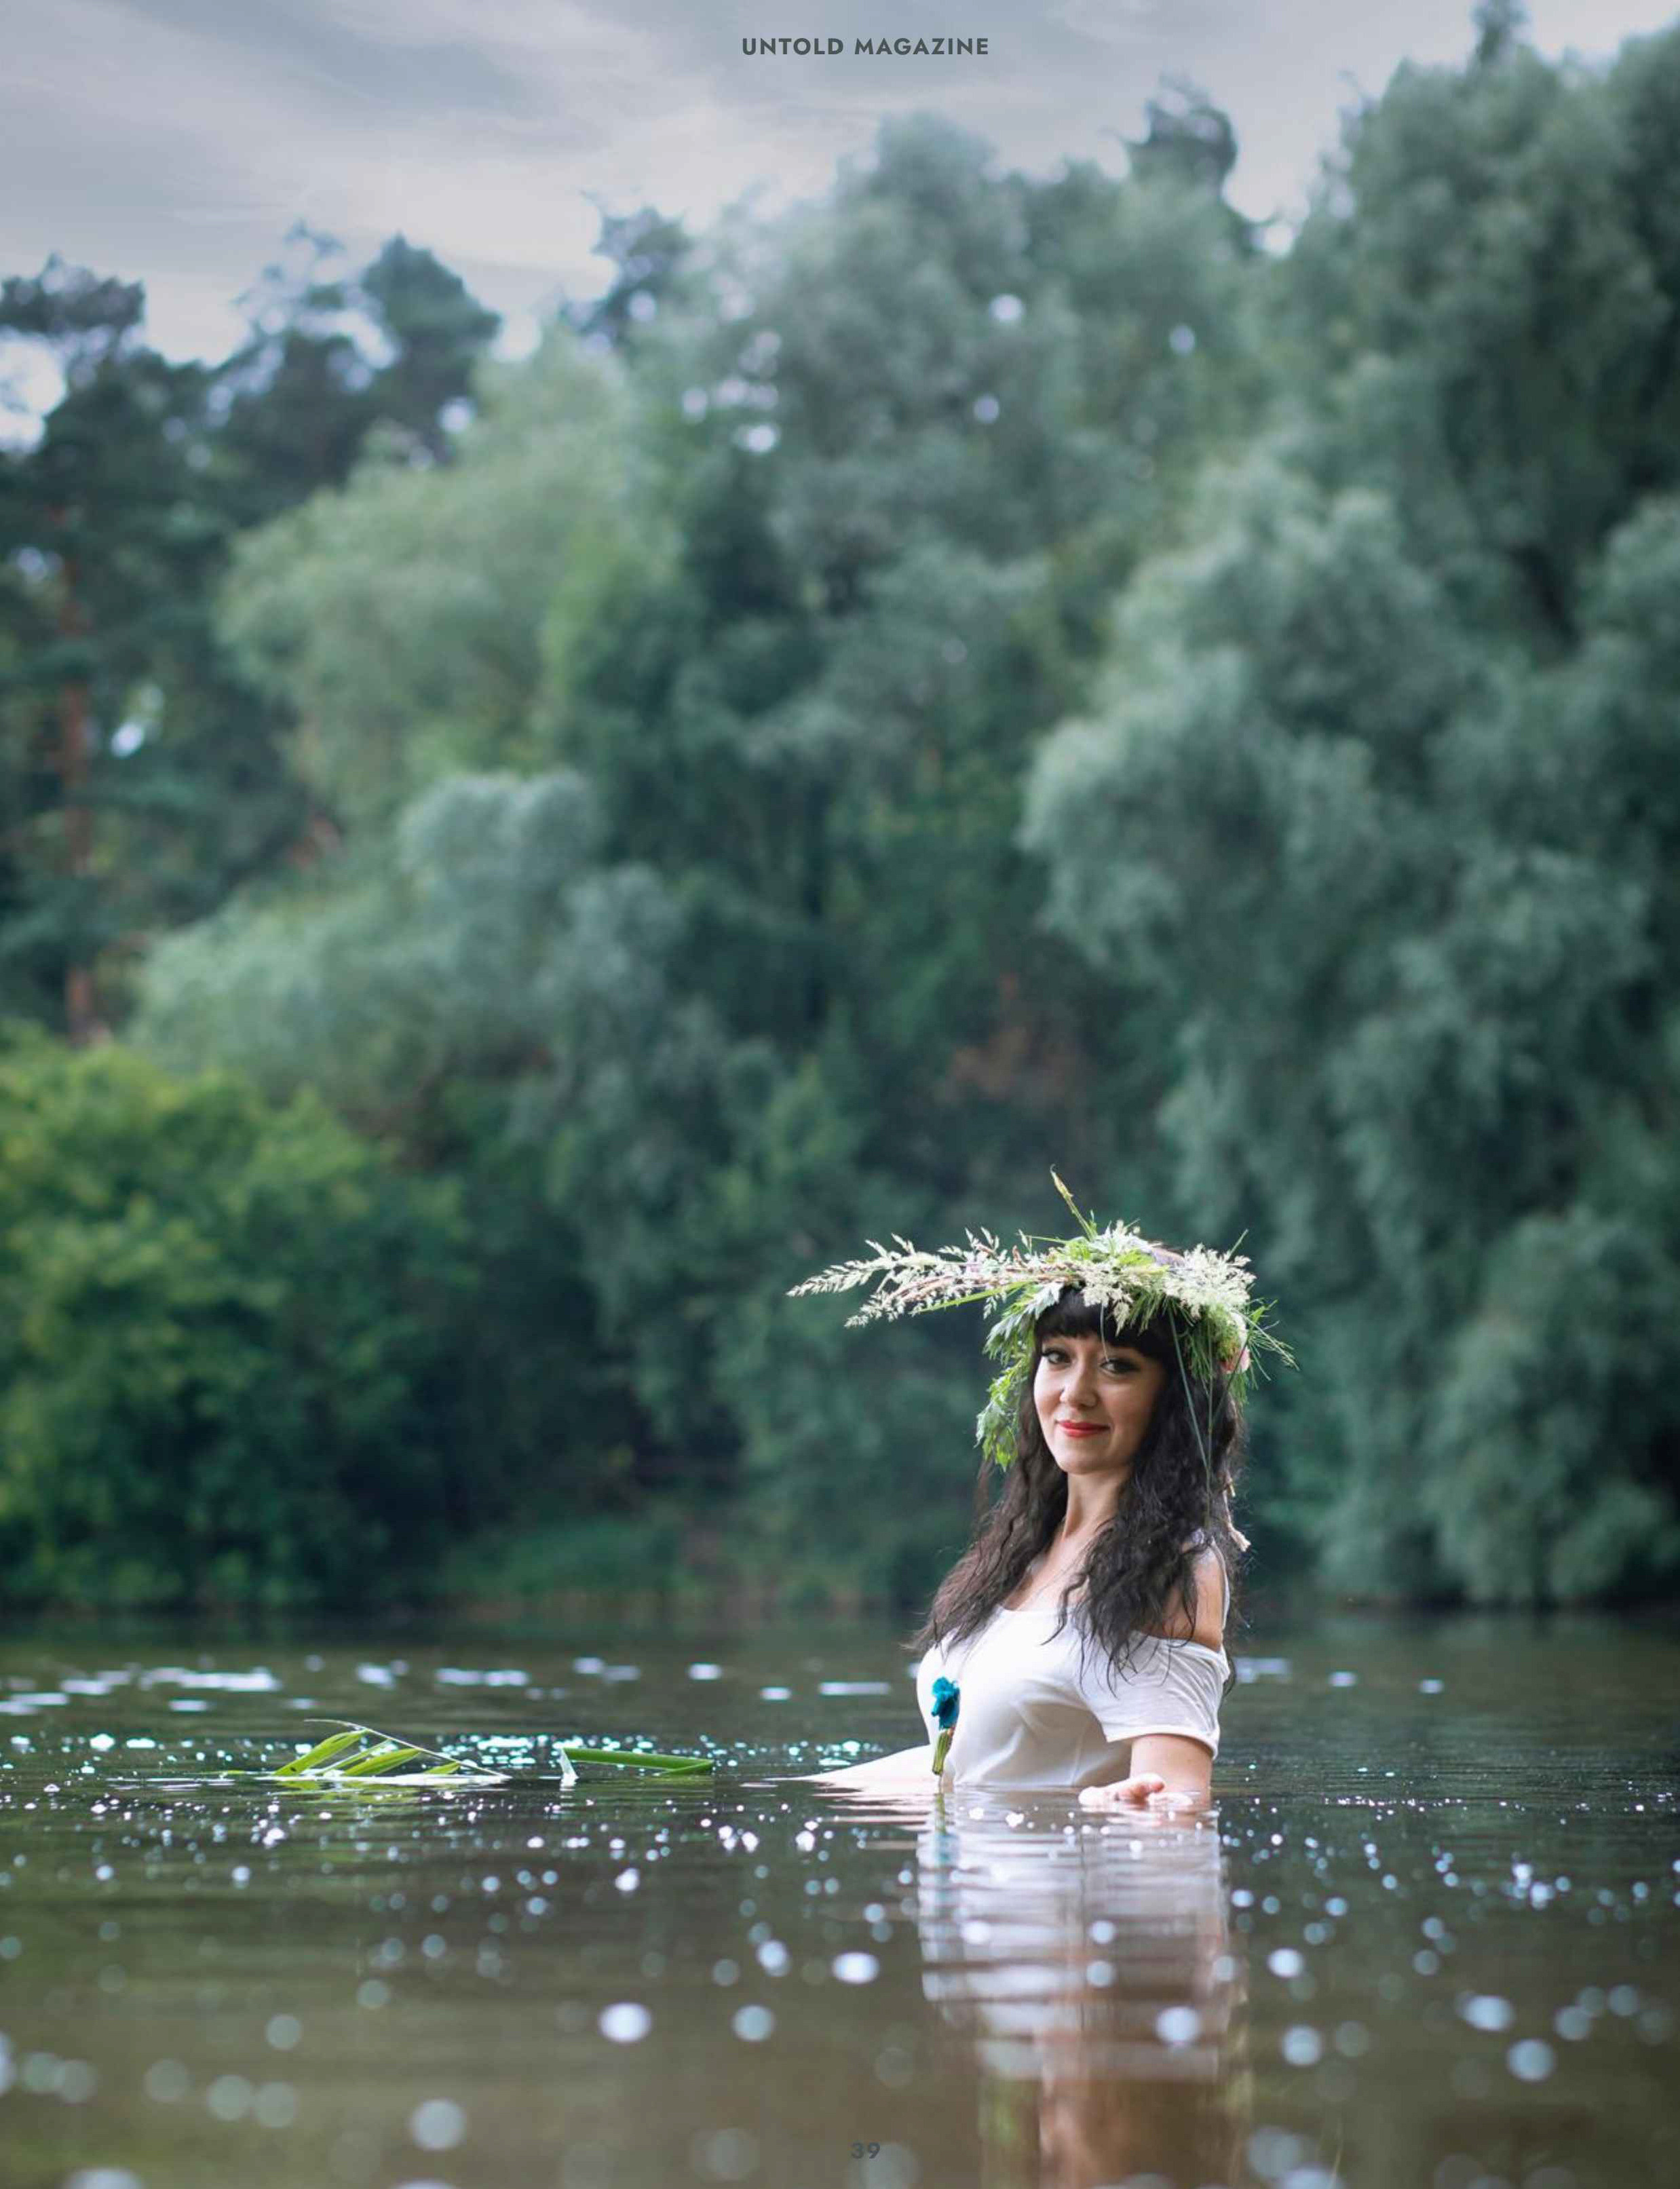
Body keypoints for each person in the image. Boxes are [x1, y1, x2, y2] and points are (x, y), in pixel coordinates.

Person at [786, 1179, 1283, 1811]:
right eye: (1057, 1357)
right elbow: (973, 1770)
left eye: (1117, 1366)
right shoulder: (1026, 1547)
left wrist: (1123, 1807)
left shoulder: (1175, 1568)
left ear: (1174, 1399)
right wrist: (777, 1792)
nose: (1075, 1393)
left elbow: (1178, 1796)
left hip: (1061, 1896)